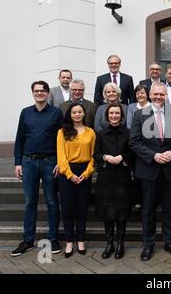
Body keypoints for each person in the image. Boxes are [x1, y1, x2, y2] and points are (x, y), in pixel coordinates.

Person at [129, 82, 171, 261]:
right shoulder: (139, 115)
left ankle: (169, 242)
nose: (158, 97)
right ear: (149, 95)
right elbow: (134, 142)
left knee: (169, 208)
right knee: (148, 209)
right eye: (155, 94)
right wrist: (153, 155)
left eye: (161, 94)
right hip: (149, 169)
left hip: (170, 170)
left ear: (166, 96)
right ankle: (149, 244)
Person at [12, 81, 63, 257]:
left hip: (50, 162)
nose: (39, 93)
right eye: (36, 91)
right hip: (28, 162)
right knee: (30, 201)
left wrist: (59, 161)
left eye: (43, 91)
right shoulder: (25, 113)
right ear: (33, 93)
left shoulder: (56, 113)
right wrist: (17, 162)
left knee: (51, 201)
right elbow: (19, 138)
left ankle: (53, 238)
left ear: (48, 93)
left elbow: (61, 139)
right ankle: (27, 240)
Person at [57, 102, 96, 258]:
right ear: (70, 115)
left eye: (80, 112)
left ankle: (80, 239)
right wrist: (69, 174)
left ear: (84, 114)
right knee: (67, 209)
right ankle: (68, 241)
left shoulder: (91, 132)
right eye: (74, 112)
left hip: (84, 172)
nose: (77, 114)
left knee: (82, 208)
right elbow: (61, 156)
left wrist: (86, 173)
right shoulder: (62, 132)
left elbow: (93, 156)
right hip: (67, 173)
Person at [94, 103, 133, 260]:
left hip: (122, 176)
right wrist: (105, 157)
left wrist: (123, 157)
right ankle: (109, 243)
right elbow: (95, 154)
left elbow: (132, 153)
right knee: (107, 211)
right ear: (107, 116)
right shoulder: (101, 134)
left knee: (121, 212)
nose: (114, 116)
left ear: (121, 116)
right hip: (106, 176)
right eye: (112, 113)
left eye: (117, 113)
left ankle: (120, 244)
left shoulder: (128, 133)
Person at [126, 84, 151, 211]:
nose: (140, 95)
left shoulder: (152, 107)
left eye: (142, 93)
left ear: (147, 94)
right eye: (138, 93)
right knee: (137, 175)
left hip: (151, 146)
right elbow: (129, 125)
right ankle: (138, 200)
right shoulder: (131, 107)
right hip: (137, 146)